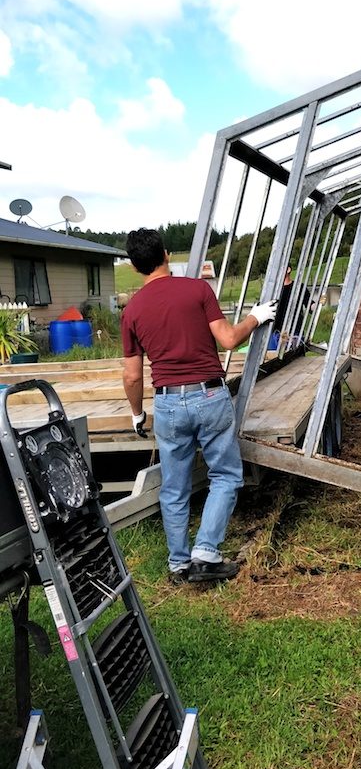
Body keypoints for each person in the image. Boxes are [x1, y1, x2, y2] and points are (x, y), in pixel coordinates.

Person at [120, 228, 277, 583]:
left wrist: (137, 414)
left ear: (134, 267)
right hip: (209, 396)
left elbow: (131, 376)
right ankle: (206, 551)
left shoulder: (132, 311)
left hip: (168, 404)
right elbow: (228, 339)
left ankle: (178, 564)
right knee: (224, 475)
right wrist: (256, 316)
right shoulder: (197, 290)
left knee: (174, 487)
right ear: (165, 254)